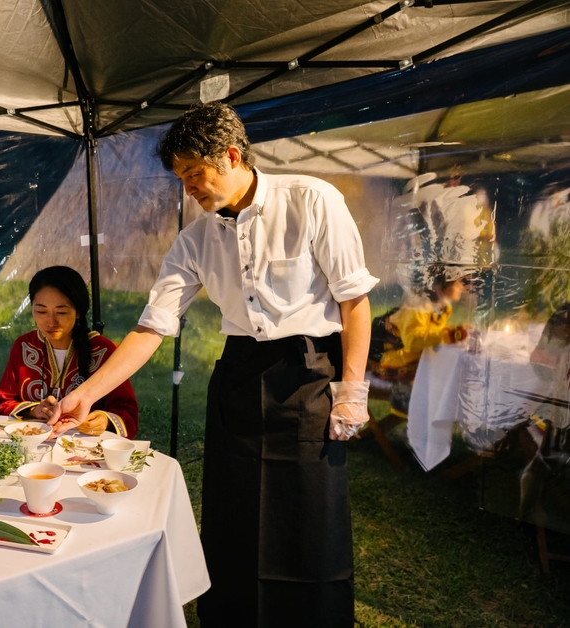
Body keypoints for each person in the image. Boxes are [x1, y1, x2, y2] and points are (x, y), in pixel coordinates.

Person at [50, 102, 378, 626]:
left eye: (194, 174)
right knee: (233, 520)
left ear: (229, 156)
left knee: (309, 520)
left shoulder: (312, 200)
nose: (188, 189)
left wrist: (352, 390)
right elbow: (151, 327)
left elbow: (354, 301)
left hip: (307, 375)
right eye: (181, 178)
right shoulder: (195, 239)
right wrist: (87, 392)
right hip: (239, 379)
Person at [0, 265, 139, 438]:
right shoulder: (24, 346)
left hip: (83, 449)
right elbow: (3, 403)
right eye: (41, 311)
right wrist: (34, 410)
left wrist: (104, 419)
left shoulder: (102, 350)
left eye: (61, 312)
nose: (51, 321)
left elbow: (127, 413)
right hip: (33, 444)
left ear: (78, 312)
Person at [373, 264, 472, 416]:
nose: (461, 286)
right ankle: (415, 419)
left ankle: (430, 418)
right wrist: (452, 335)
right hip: (391, 356)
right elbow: (413, 341)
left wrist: (455, 334)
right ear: (440, 285)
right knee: (441, 378)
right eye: (457, 282)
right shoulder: (419, 305)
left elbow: (431, 334)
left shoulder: (443, 308)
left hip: (414, 354)